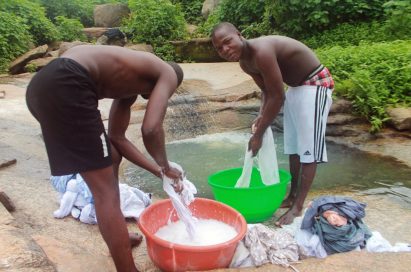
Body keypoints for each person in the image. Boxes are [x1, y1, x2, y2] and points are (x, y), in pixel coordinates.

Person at [26, 44, 184, 272]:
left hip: (40, 87)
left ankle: (117, 236)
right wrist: (166, 165)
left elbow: (117, 138)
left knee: (111, 156)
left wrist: (158, 171)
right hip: (67, 82)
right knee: (105, 191)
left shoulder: (130, 83)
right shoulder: (167, 72)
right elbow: (150, 129)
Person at [211, 22, 334, 226]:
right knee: (294, 147)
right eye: (219, 48)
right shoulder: (245, 63)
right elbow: (267, 92)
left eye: (227, 42)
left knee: (308, 150)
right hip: (296, 87)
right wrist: (261, 117)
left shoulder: (262, 51)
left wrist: (258, 134)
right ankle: (292, 195)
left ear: (239, 35)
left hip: (315, 83)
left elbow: (277, 96)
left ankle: (298, 207)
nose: (224, 50)